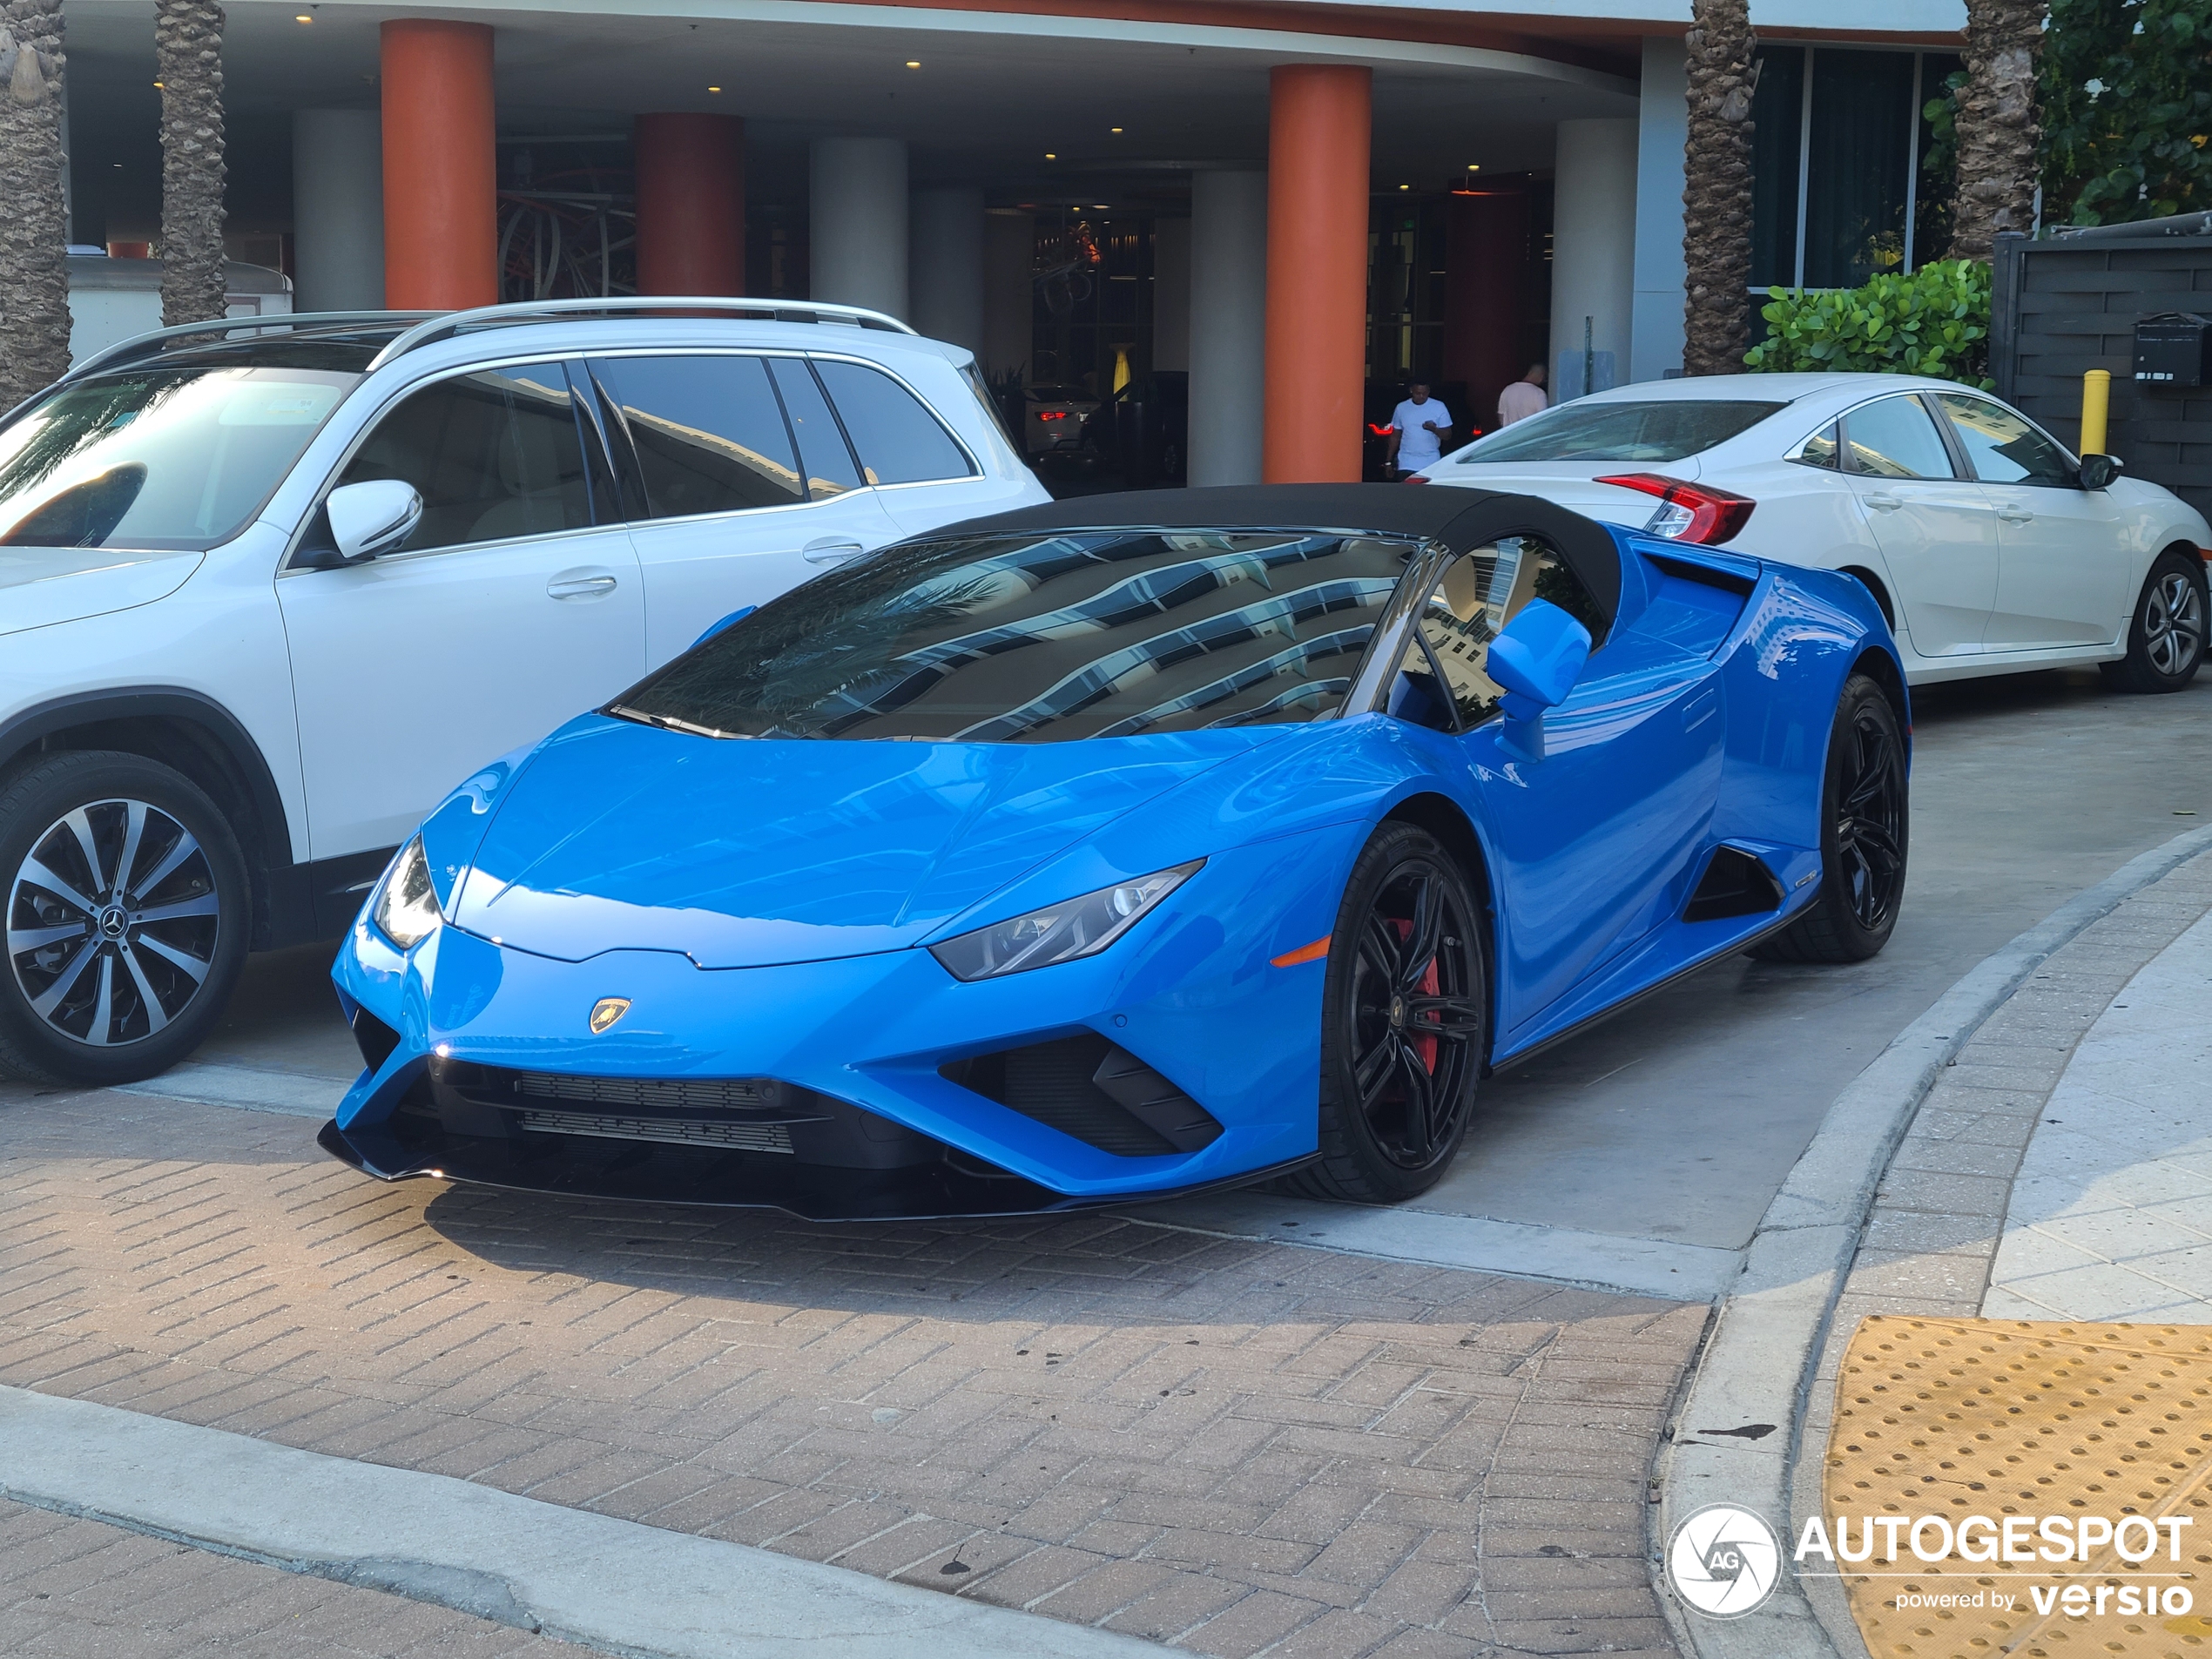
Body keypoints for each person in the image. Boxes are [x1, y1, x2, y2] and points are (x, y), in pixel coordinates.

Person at [1386, 382, 1452, 479]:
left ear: (1429, 391)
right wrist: (1388, 461)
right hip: (1406, 462)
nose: (1421, 396)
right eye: (1418, 393)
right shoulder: (1402, 408)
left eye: (1424, 393)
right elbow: (1395, 436)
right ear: (1411, 391)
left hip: (1431, 462)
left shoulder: (1439, 407)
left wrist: (1434, 429)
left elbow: (1448, 435)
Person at [1498, 363, 1548, 427]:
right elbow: (1543, 420)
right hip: (1530, 435)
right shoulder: (1539, 394)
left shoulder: (1508, 389)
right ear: (1542, 377)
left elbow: (1501, 415)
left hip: (1511, 435)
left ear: (1529, 373)